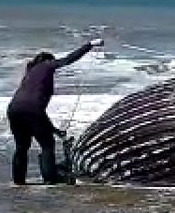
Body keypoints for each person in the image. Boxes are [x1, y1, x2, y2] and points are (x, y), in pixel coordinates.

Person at [7, 38, 104, 185]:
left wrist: (55, 130)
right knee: (47, 145)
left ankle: (18, 183)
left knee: (21, 147)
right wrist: (90, 45)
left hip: (14, 109)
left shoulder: (30, 74)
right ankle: (49, 182)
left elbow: (38, 115)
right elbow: (68, 60)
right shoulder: (46, 65)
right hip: (32, 110)